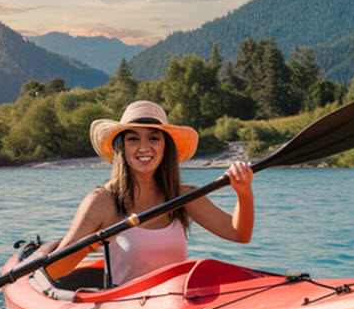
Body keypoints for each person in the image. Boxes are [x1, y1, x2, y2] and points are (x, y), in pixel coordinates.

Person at [44, 100, 254, 285]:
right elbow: (52, 270)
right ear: (122, 147)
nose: (144, 148)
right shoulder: (103, 201)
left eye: (154, 138)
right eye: (133, 139)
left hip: (175, 306)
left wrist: (243, 192)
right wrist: (88, 246)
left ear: (166, 146)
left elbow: (239, 234)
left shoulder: (182, 196)